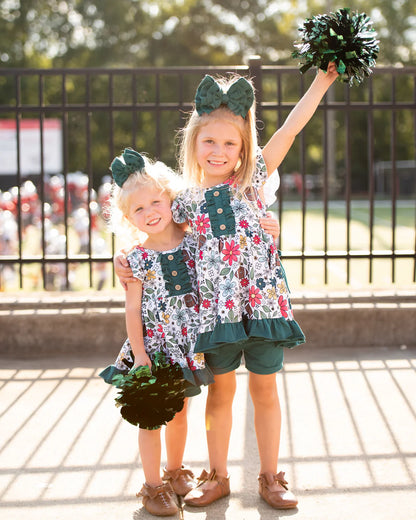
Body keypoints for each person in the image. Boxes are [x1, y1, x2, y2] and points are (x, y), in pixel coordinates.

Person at [168, 64, 339, 510]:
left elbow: (290, 128)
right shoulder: (184, 201)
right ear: (195, 144)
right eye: (209, 141)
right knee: (220, 394)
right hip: (216, 315)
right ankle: (219, 475)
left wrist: (320, 83)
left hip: (262, 307)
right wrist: (123, 259)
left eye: (230, 142)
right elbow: (150, 233)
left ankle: (269, 477)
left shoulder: (254, 178)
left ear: (244, 146)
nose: (219, 150)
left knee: (265, 389)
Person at [99, 148, 214, 517]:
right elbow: (132, 309)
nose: (149, 212)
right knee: (152, 417)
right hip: (153, 348)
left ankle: (174, 470)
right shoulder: (135, 259)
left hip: (186, 347)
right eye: (138, 209)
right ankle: (151, 487)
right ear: (128, 218)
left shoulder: (193, 240)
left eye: (155, 202)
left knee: (180, 412)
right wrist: (141, 355)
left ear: (170, 198)